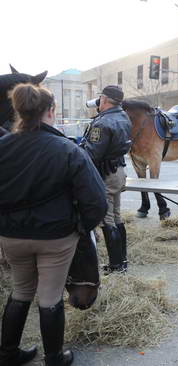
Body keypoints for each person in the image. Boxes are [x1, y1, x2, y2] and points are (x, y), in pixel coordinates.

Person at [0, 84, 107, 366]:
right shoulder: (67, 149)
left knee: (20, 291)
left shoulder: (2, 147)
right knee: (49, 297)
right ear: (50, 111)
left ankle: (8, 353)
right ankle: (54, 359)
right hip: (56, 237)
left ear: (19, 110)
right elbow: (96, 201)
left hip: (11, 235)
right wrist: (80, 227)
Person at [80, 85, 132, 273]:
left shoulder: (102, 123)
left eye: (100, 97)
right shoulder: (123, 116)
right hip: (118, 171)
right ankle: (122, 260)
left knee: (107, 218)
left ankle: (116, 265)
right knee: (116, 215)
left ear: (104, 99)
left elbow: (92, 154)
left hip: (106, 174)